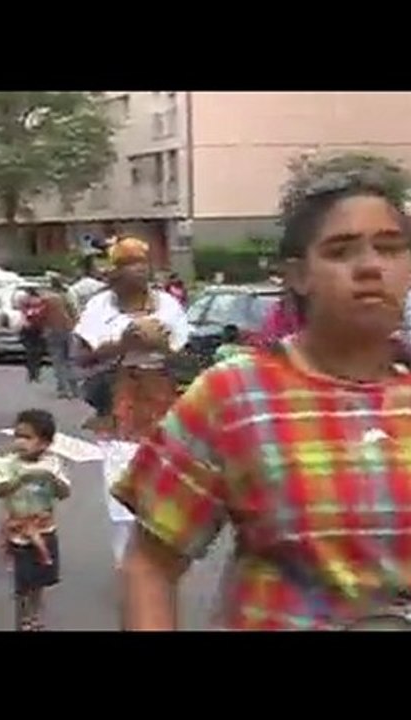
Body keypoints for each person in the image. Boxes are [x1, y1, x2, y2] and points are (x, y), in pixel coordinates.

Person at [115, 165, 411, 631]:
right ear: (297, 275)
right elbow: (150, 565)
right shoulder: (234, 394)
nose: (372, 265)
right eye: (341, 251)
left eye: (390, 248)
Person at [73, 237, 190, 567]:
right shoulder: (100, 307)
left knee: (160, 480)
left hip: (161, 398)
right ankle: (126, 563)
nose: (139, 270)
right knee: (121, 481)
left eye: (142, 263)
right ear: (115, 272)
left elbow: (187, 355)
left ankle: (155, 557)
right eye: (129, 264)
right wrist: (120, 344)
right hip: (119, 397)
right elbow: (81, 357)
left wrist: (164, 345)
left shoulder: (167, 305)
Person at [0, 409, 71, 631]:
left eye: (27, 437)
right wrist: (21, 478)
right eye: (18, 435)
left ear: (45, 443)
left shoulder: (52, 464)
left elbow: (64, 492)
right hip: (19, 533)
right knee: (23, 582)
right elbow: (0, 489)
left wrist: (52, 479)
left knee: (40, 580)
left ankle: (35, 617)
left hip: (45, 530)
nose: (20, 442)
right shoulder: (9, 463)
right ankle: (23, 619)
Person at [44, 274, 79, 399]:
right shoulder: (66, 295)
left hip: (53, 330)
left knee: (58, 361)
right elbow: (74, 311)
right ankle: (75, 389)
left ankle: (64, 389)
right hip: (68, 328)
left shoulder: (47, 298)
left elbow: (43, 316)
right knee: (70, 359)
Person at [20, 287, 45, 384]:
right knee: (38, 353)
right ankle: (36, 373)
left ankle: (31, 374)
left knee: (30, 352)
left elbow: (23, 315)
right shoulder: (41, 303)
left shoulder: (26, 303)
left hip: (29, 328)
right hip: (39, 329)